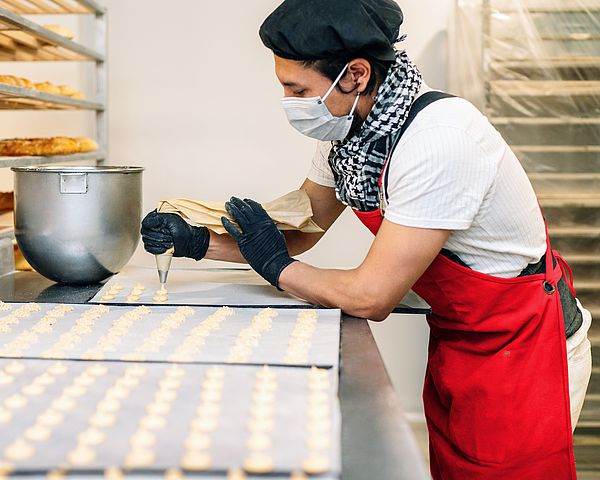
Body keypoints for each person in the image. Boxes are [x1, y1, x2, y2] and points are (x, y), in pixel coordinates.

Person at [141, 0, 592, 477]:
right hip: (463, 340)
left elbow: (371, 295)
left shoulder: (439, 140)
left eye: (298, 89)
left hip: (528, 348)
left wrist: (278, 269)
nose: (292, 103)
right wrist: (196, 240)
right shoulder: (349, 134)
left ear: (355, 74)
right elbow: (302, 227)